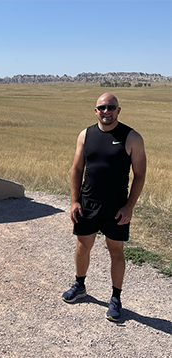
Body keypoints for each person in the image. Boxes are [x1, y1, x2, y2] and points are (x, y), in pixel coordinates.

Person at [62, 93, 146, 322]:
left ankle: (116, 298)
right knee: (83, 245)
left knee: (116, 251)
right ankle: (79, 285)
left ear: (119, 110)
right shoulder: (85, 135)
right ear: (95, 110)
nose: (106, 111)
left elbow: (139, 175)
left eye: (111, 107)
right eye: (102, 107)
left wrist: (129, 207)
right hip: (87, 204)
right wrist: (74, 201)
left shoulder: (132, 137)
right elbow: (77, 169)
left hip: (117, 207)